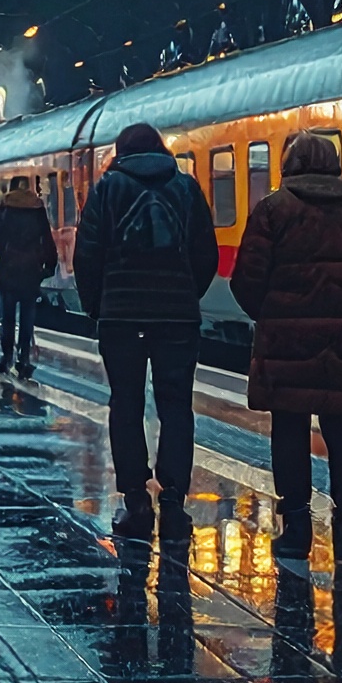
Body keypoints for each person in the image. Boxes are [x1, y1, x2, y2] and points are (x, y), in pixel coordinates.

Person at [231, 131, 342, 564]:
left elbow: (245, 278)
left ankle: (296, 529)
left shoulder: (272, 210)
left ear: (290, 165)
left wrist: (270, 316)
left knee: (289, 431)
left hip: (287, 341)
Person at [75, 122, 219, 542]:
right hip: (176, 318)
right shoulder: (186, 188)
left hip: (122, 317)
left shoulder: (107, 189)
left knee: (126, 403)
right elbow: (204, 252)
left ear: (121, 152)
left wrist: (97, 306)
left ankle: (136, 499)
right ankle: (174, 501)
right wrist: (186, 293)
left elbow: (88, 253)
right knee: (176, 406)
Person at [0, 175, 58, 380]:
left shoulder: (3, 209)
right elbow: (47, 239)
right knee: (27, 317)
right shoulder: (37, 210)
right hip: (31, 270)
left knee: (7, 317)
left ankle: (7, 355)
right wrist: (49, 265)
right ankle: (23, 357)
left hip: (8, 268)